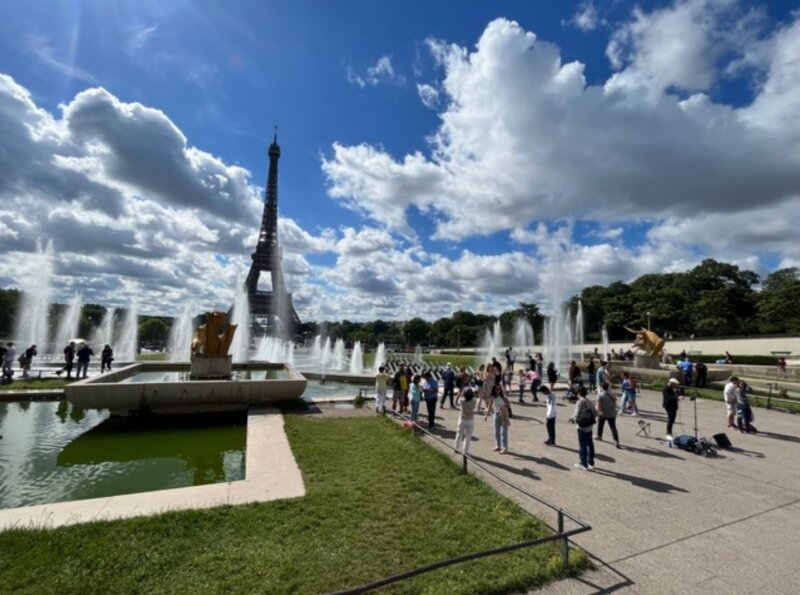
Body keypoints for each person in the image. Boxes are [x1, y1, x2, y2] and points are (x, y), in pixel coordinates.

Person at [571, 386, 596, 470]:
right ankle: (591, 462)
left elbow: (576, 414)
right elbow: (595, 413)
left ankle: (583, 463)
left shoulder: (579, 402)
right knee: (590, 444)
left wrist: (572, 419)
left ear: (579, 393)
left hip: (582, 426)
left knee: (582, 445)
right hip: (590, 426)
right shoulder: (590, 401)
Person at [485, 383, 511, 454]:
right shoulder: (493, 397)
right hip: (496, 415)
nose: (498, 390)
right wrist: (487, 415)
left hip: (503, 415)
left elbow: (508, 406)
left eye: (499, 389)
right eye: (497, 389)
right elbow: (490, 406)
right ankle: (498, 445)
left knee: (503, 432)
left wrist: (504, 408)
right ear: (494, 390)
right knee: (496, 431)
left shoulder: (504, 397)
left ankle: (504, 448)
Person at [596, 383, 621, 448]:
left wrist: (597, 412)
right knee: (613, 427)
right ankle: (616, 441)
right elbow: (615, 404)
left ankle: (599, 436)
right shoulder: (613, 394)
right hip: (612, 413)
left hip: (603, 413)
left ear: (602, 387)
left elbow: (599, 406)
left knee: (600, 425)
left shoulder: (600, 395)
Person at [453, 387, 476, 454]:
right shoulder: (474, 400)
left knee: (459, 434)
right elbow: (473, 396)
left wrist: (462, 393)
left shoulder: (462, 401)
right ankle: (465, 451)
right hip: (470, 420)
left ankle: (456, 448)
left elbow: (461, 395)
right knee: (468, 436)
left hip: (462, 419)